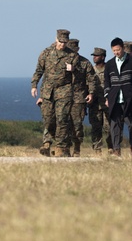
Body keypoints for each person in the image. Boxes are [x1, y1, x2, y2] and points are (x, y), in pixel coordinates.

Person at [31, 28, 85, 157]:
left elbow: (80, 76)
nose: (62, 44)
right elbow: (39, 70)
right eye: (60, 42)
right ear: (56, 39)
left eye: (64, 42)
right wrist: (34, 85)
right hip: (48, 91)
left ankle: (61, 147)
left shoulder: (72, 56)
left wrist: (73, 70)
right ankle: (60, 142)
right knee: (48, 119)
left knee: (62, 119)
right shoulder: (46, 53)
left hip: (64, 91)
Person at [104, 36, 132, 156]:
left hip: (129, 98)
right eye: (114, 51)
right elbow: (106, 80)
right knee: (115, 124)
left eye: (118, 50)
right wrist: (107, 95)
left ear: (123, 48)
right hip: (114, 98)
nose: (116, 52)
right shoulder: (110, 64)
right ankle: (116, 150)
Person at [67, 39, 96, 157]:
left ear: (78, 49)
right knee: (63, 123)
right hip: (63, 97)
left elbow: (91, 79)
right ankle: (64, 148)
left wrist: (91, 93)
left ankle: (77, 148)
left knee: (77, 124)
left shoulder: (85, 63)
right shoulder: (61, 62)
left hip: (79, 98)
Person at [89, 47, 110, 153]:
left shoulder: (109, 69)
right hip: (95, 104)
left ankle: (111, 147)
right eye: (94, 56)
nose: (95, 58)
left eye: (97, 56)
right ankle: (97, 149)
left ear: (103, 57)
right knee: (96, 127)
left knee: (109, 127)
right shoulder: (91, 71)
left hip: (107, 103)